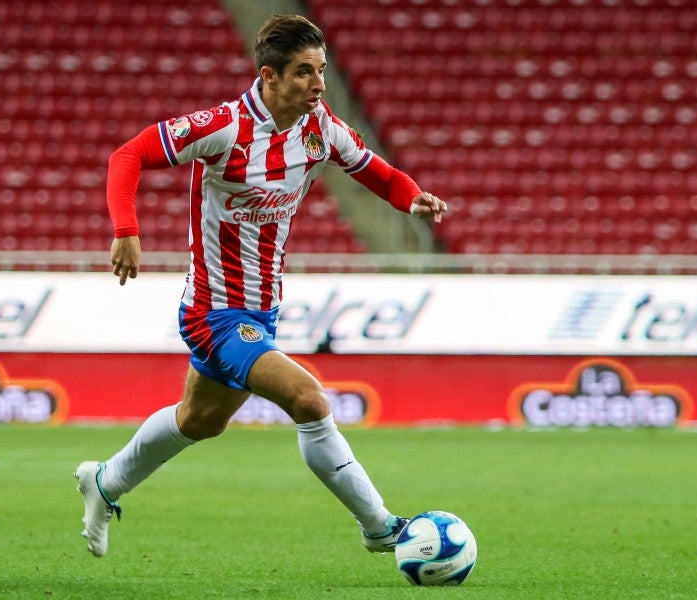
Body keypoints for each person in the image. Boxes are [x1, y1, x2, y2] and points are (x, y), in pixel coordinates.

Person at [74, 14, 447, 558]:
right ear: (269, 77)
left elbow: (376, 171)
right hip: (215, 312)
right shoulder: (223, 127)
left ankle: (103, 481)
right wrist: (126, 231)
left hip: (261, 310)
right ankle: (380, 526)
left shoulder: (319, 127)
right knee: (309, 400)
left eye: (321, 70)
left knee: (198, 421)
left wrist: (410, 195)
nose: (318, 84)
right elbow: (127, 155)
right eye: (303, 73)